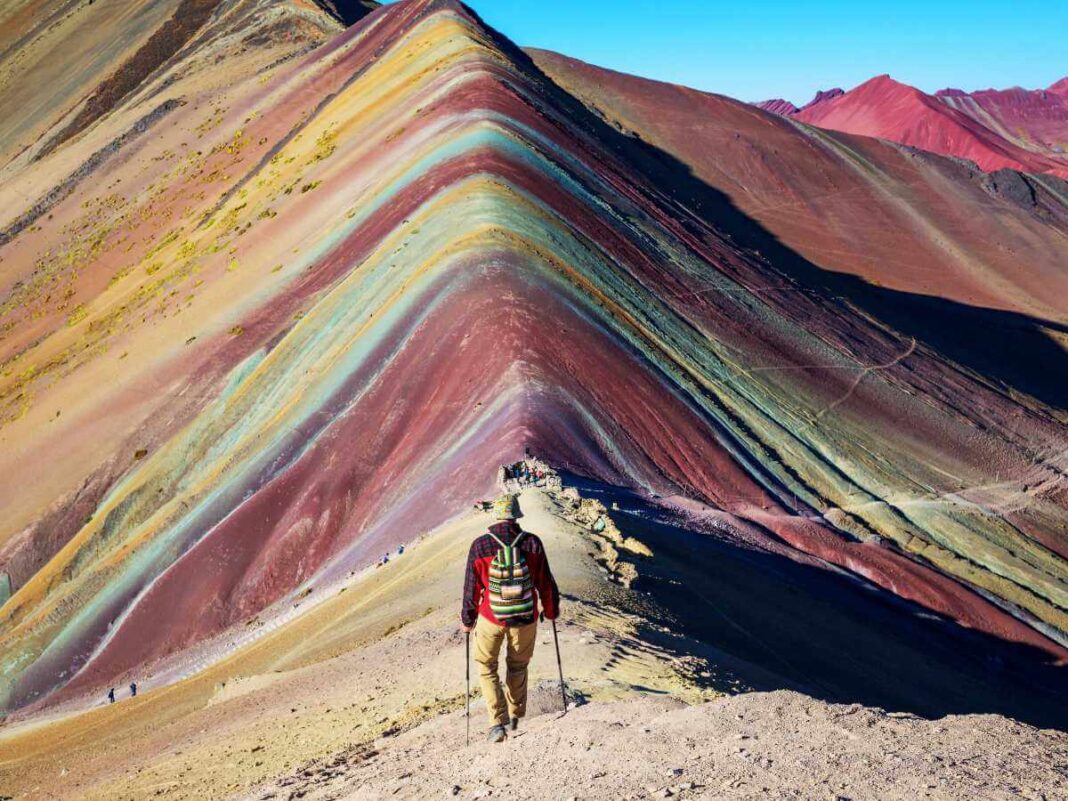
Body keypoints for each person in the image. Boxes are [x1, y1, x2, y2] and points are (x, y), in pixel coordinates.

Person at [461, 493, 559, 743]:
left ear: (495, 515)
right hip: (525, 619)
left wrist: (467, 619)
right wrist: (550, 611)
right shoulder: (532, 543)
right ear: (516, 516)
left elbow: (471, 589)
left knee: (486, 666)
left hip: (490, 619)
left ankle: (497, 723)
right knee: (518, 666)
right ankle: (516, 716)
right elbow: (545, 583)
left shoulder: (480, 545)